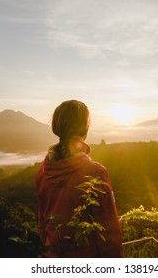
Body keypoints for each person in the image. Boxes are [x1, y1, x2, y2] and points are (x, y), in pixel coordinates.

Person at [35, 100, 123, 257]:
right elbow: (109, 231)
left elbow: (43, 223)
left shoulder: (42, 172)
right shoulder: (95, 172)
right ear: (85, 128)